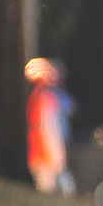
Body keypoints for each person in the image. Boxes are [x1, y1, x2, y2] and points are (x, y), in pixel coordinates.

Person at [25, 57, 76, 195]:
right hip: (46, 156)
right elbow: (50, 129)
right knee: (51, 192)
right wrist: (58, 156)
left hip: (38, 154)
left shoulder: (35, 96)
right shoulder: (46, 99)